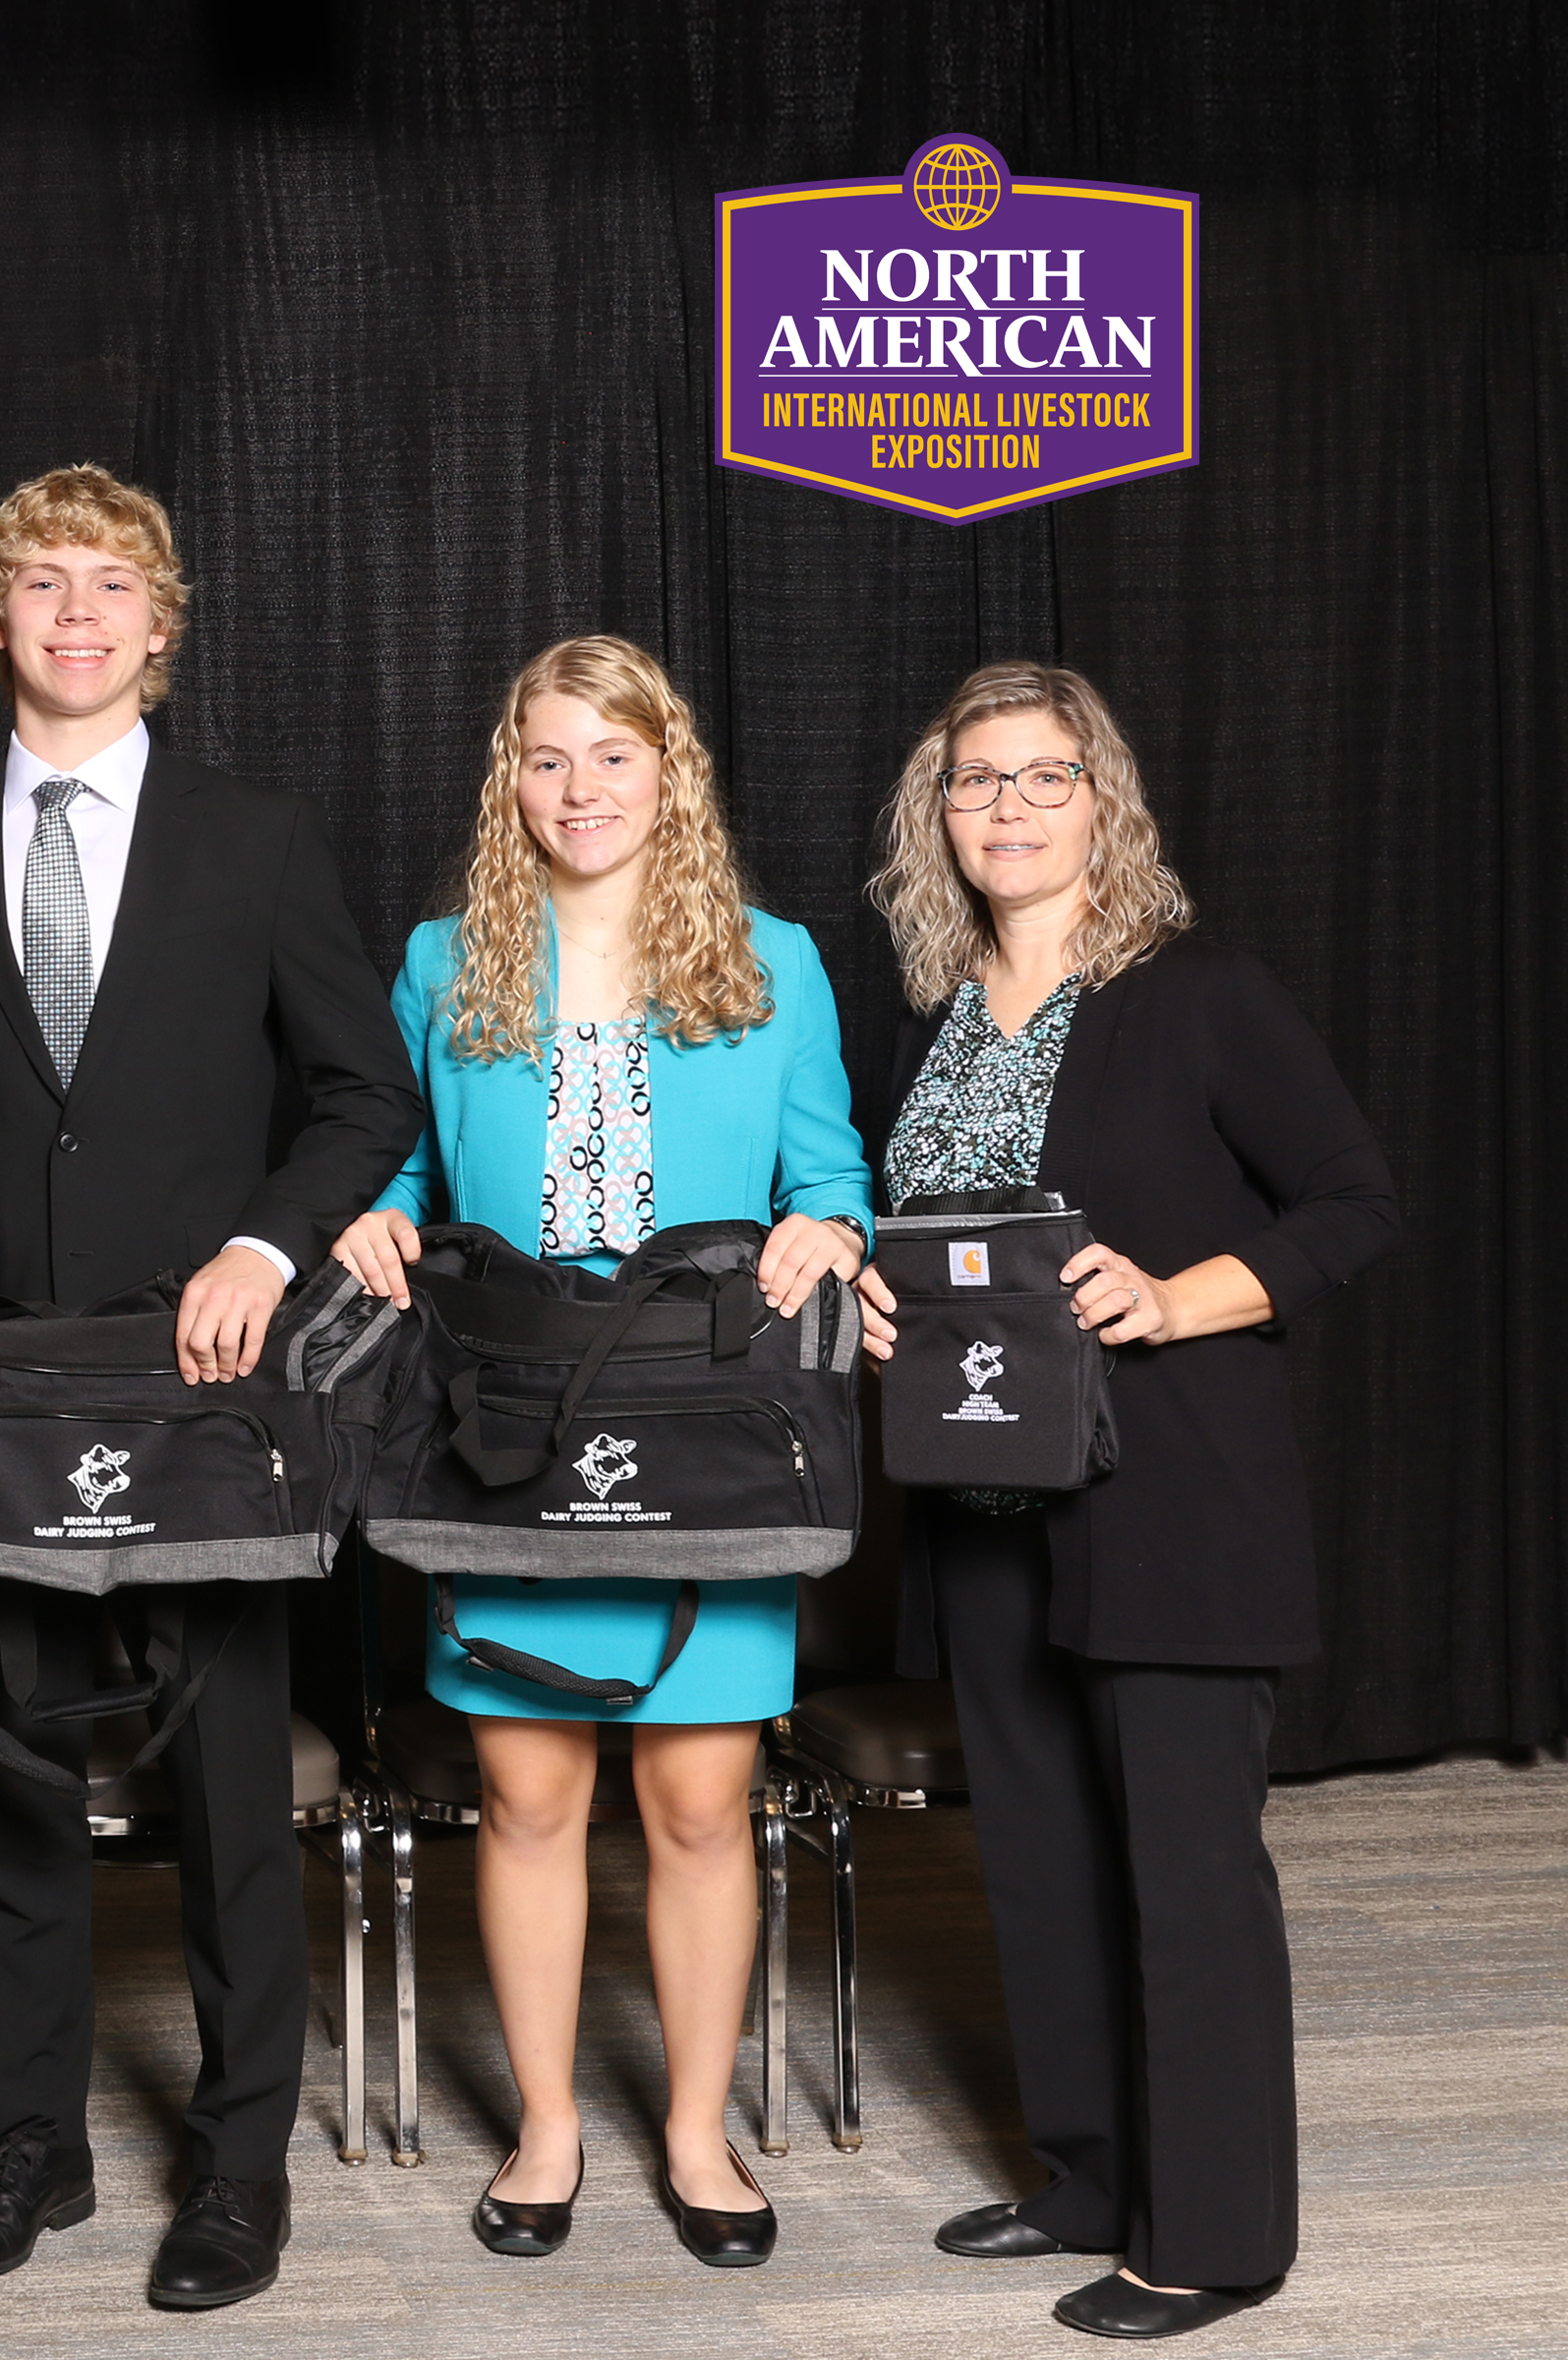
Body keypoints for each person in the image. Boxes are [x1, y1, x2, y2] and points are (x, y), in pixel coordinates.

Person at [0, 463, 422, 2311]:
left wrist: (265, 1244)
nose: (76, 619)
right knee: (9, 1771)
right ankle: (33, 2142)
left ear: (161, 634)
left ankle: (240, 2166)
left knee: (235, 1784)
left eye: (112, 592)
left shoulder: (257, 841)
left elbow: (363, 1097)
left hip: (205, 1376)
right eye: (41, 588)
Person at [850, 662, 1396, 2340]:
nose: (1006, 806)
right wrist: (876, 1311)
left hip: (1177, 1496)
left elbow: (1355, 1201)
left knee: (1182, 1869)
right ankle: (1086, 2177)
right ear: (932, 818)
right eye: (973, 780)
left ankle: (1214, 2238)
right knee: (1037, 1854)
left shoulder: (1199, 992)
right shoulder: (936, 1020)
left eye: (1043, 777)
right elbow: (939, 1252)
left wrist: (1177, 1295)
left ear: (1108, 806)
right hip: (991, 1498)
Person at [330, 634, 870, 2271]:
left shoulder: (774, 961)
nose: (582, 790)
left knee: (704, 1801)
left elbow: (832, 1177)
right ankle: (553, 2129)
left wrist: (828, 1239)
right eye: (551, 759)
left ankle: (699, 2133)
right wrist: (375, 1212)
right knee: (525, 1788)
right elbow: (413, 1167)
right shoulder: (443, 960)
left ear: (669, 774)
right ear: (516, 780)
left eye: (614, 756)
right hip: (506, 1425)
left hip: (706, 1424)